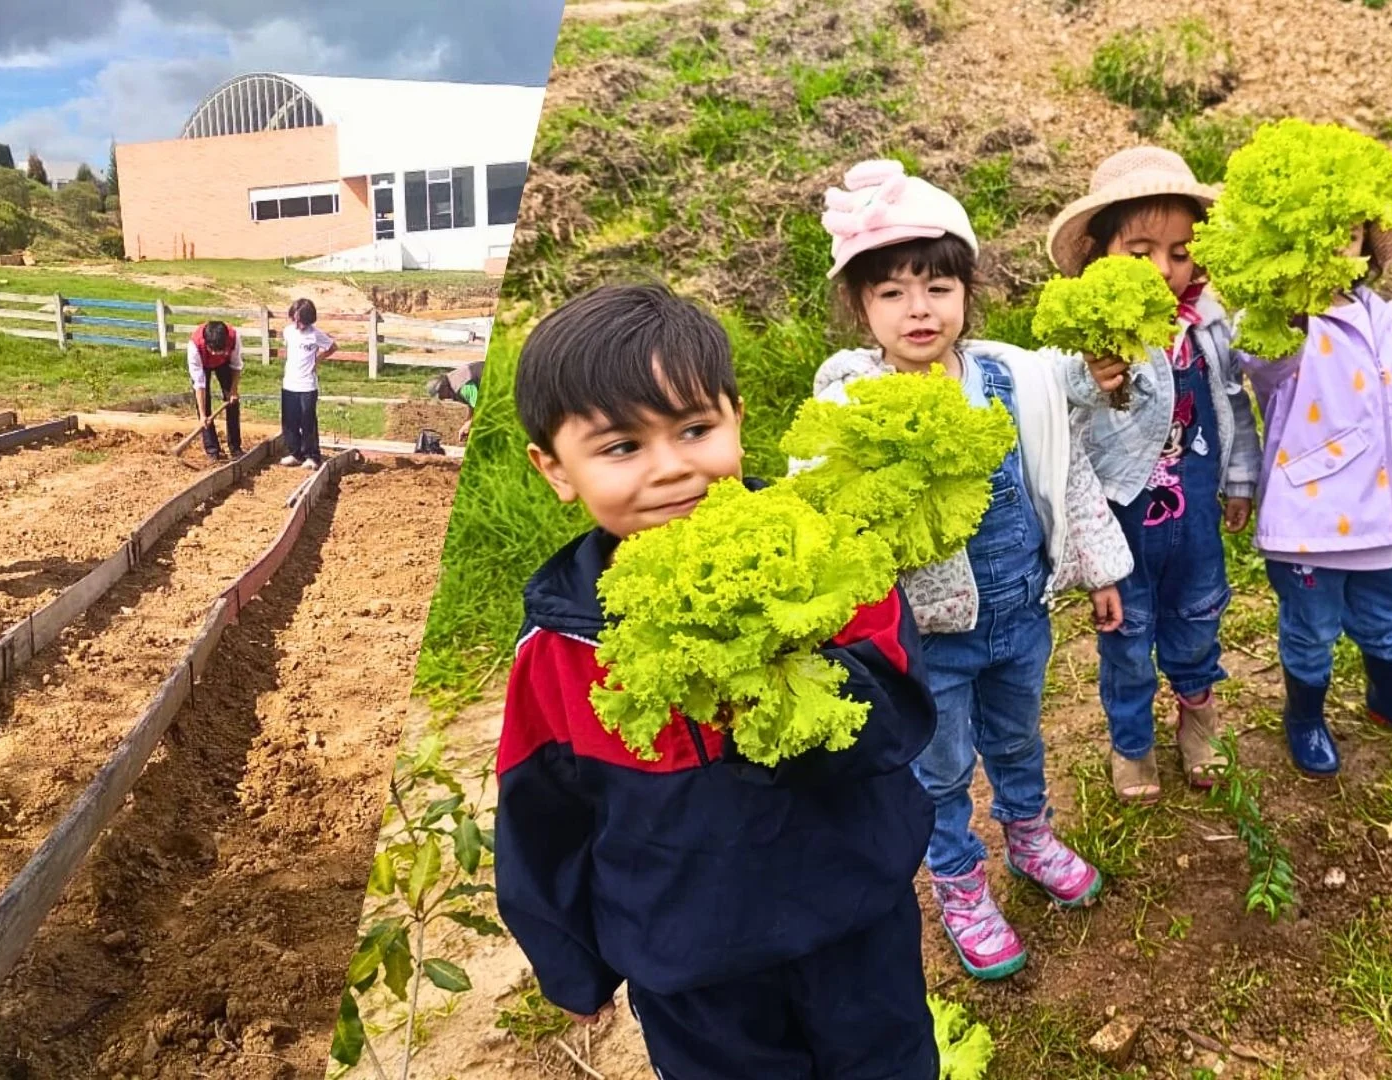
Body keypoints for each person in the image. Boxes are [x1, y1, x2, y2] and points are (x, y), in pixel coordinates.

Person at [494, 282, 941, 1078]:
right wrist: (570, 962)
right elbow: (543, 814)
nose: (672, 470)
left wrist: (787, 670)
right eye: (621, 447)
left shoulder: (828, 566)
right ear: (555, 469)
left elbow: (901, 719)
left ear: (737, 417)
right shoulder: (558, 649)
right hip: (690, 963)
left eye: (696, 429)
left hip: (853, 920)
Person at [812, 159, 1133, 980]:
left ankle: (1030, 835)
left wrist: (1099, 568)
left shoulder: (1011, 379)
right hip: (930, 637)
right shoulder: (853, 407)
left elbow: (1064, 472)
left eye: (937, 288)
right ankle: (958, 881)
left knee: (1019, 739)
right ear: (860, 308)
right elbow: (826, 516)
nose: (918, 310)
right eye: (892, 293)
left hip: (1020, 612)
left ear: (966, 291)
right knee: (942, 763)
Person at [1043, 146, 1265, 802]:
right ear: (1100, 253)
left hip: (1193, 516)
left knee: (1198, 621)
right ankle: (1131, 742)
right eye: (1139, 252)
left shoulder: (1207, 329)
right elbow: (1063, 439)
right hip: (1121, 531)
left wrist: (1241, 479)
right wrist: (1086, 379)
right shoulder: (1084, 344)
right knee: (1127, 641)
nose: (1164, 270)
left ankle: (1199, 717)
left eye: (1179, 252)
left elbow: (1233, 407)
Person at [1237, 173, 1392, 776]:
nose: (1337, 246)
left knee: (1386, 621)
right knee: (1311, 632)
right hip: (1313, 521)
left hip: (1384, 513)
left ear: (1366, 243)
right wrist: (1285, 316)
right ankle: (1305, 715)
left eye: (1349, 233)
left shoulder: (1378, 313)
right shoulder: (1286, 321)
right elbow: (1261, 363)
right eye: (1318, 233)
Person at [280, 298, 336, 468]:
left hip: (307, 385)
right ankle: (295, 453)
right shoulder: (288, 332)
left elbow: (332, 347)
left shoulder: (315, 334)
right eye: (295, 320)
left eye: (301, 322)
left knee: (307, 421)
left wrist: (317, 360)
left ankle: (312, 455)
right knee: (290, 421)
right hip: (289, 383)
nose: (298, 325)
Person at [187, 319, 243, 461]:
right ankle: (212, 451)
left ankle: (235, 448)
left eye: (220, 351)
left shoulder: (234, 338)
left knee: (233, 403)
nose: (216, 354)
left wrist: (233, 390)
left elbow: (236, 366)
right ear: (207, 344)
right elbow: (199, 384)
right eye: (213, 351)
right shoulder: (195, 346)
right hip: (203, 365)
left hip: (225, 365)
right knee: (204, 409)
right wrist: (202, 414)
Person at [426, 359, 484, 440]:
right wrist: (467, 422)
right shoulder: (452, 382)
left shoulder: (462, 387)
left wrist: (468, 425)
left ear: (443, 387)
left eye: (440, 395)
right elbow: (472, 404)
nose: (442, 399)